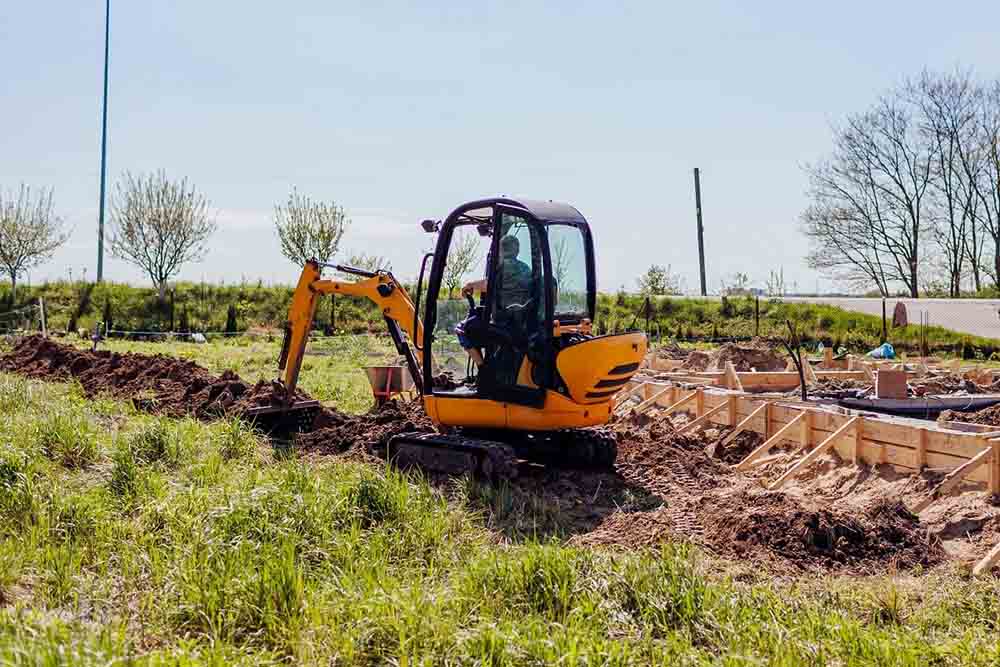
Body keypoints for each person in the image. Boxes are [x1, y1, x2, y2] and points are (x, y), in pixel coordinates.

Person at [457, 235, 534, 367]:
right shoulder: (526, 269)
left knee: (462, 329)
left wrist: (470, 285)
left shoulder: (505, 267)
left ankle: (484, 369)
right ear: (517, 250)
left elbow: (490, 284)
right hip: (521, 322)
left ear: (501, 250)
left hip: (505, 324)